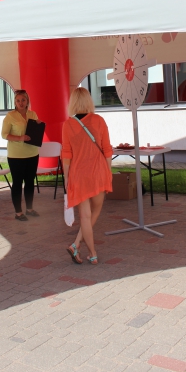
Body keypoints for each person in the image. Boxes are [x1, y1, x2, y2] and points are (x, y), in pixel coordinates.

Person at [62, 87, 113, 265]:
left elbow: (66, 154)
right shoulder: (99, 121)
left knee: (85, 216)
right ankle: (81, 247)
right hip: (98, 173)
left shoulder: (68, 125)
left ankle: (89, 251)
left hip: (78, 175)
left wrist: (67, 178)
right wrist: (108, 172)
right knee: (96, 211)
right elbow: (107, 150)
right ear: (89, 101)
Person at [1, 90, 41, 221]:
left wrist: (39, 126)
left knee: (30, 182)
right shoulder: (10, 116)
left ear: (27, 101)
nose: (21, 103)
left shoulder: (32, 114)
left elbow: (36, 130)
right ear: (15, 102)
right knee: (17, 183)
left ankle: (29, 209)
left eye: (23, 100)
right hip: (16, 156)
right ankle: (18, 213)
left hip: (32, 153)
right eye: (18, 100)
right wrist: (20, 138)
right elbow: (4, 134)